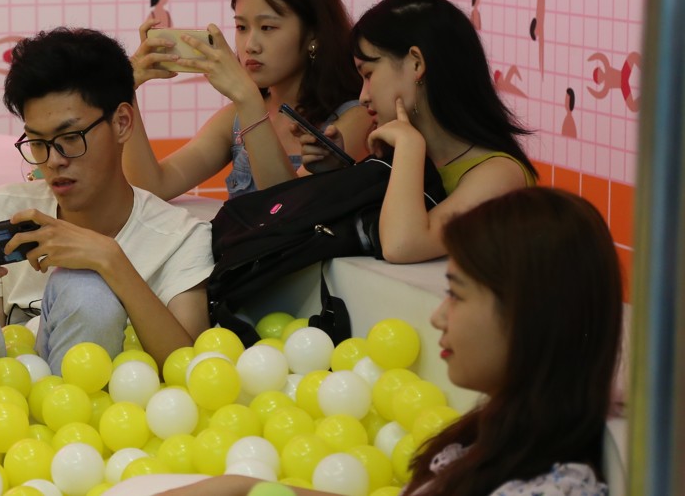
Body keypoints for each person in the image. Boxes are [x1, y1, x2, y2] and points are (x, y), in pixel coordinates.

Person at [161, 187, 622, 496]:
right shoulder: (499, 436)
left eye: (457, 295)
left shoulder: (549, 486)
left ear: (527, 314)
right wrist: (246, 486)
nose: (438, 316)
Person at [0, 28, 214, 401]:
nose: (54, 161)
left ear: (122, 123)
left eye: (71, 138)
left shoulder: (181, 237)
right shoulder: (3, 209)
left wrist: (110, 260)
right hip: (2, 417)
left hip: (92, 428)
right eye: (37, 143)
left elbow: (191, 373)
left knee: (87, 290)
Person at [125, 0, 370, 201]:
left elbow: (284, 210)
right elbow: (152, 188)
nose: (250, 46)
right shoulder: (236, 116)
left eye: (267, 28)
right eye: (242, 28)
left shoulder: (355, 117)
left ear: (313, 34)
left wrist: (247, 97)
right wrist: (125, 89)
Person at [352, 0, 537, 263]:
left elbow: (401, 245)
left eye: (368, 74)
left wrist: (409, 145)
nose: (363, 97)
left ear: (415, 63)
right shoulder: (415, 158)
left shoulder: (500, 175)